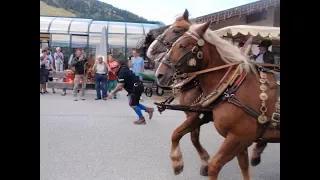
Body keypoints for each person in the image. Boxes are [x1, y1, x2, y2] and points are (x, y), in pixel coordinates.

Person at [107, 60, 154, 125]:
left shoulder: (122, 73)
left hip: (135, 89)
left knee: (132, 105)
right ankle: (149, 110)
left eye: (113, 69)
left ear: (117, 67)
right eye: (111, 69)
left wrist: (112, 93)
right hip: (136, 87)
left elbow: (120, 86)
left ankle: (142, 119)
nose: (112, 71)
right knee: (135, 104)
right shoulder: (122, 69)